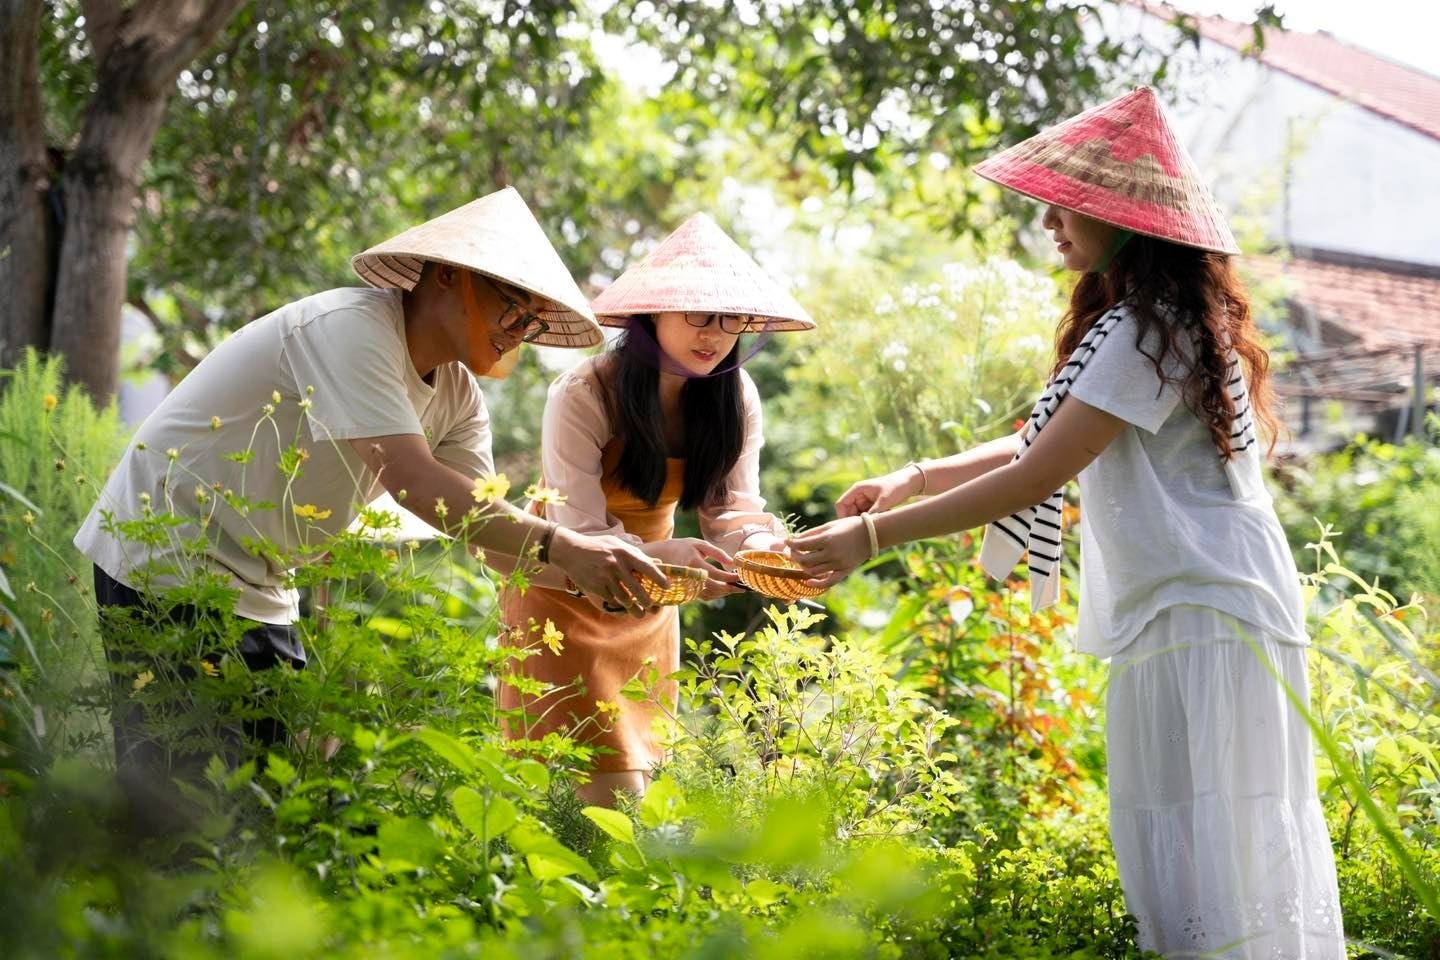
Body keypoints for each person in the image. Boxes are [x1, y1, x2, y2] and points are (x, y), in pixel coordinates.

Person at [788, 88, 1344, 957]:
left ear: (1128, 220)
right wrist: (914, 476)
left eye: (1069, 202)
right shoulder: (1145, 326)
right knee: (1202, 849)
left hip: (1205, 611)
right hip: (1194, 607)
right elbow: (1041, 435)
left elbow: (1038, 472)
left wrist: (866, 540)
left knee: (1216, 855)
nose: (1048, 218)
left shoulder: (1145, 331)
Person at [75, 187, 667, 831]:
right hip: (165, 552)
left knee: (262, 807)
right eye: (512, 307)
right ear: (448, 276)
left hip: (263, 581)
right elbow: (413, 479)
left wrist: (638, 569)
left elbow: (488, 540)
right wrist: (568, 546)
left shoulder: (460, 398)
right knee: (178, 800)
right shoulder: (354, 329)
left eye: (529, 322)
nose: (516, 332)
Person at [499, 213, 815, 805]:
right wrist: (663, 553)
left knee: (633, 786)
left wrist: (758, 551)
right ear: (653, 312)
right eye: (697, 313)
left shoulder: (735, 394)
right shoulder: (584, 392)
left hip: (651, 598)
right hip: (563, 586)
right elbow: (580, 530)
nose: (715, 333)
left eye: (731, 318)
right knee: (590, 793)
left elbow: (733, 508)